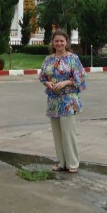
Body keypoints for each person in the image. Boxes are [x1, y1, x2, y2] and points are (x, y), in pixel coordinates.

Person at [39, 29, 86, 173]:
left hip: (68, 102)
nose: (59, 43)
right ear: (52, 43)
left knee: (68, 133)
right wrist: (47, 83)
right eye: (56, 41)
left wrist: (65, 83)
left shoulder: (73, 58)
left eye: (62, 41)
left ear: (66, 42)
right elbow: (42, 76)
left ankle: (72, 163)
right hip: (53, 102)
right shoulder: (48, 59)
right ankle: (62, 162)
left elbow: (81, 78)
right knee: (57, 134)